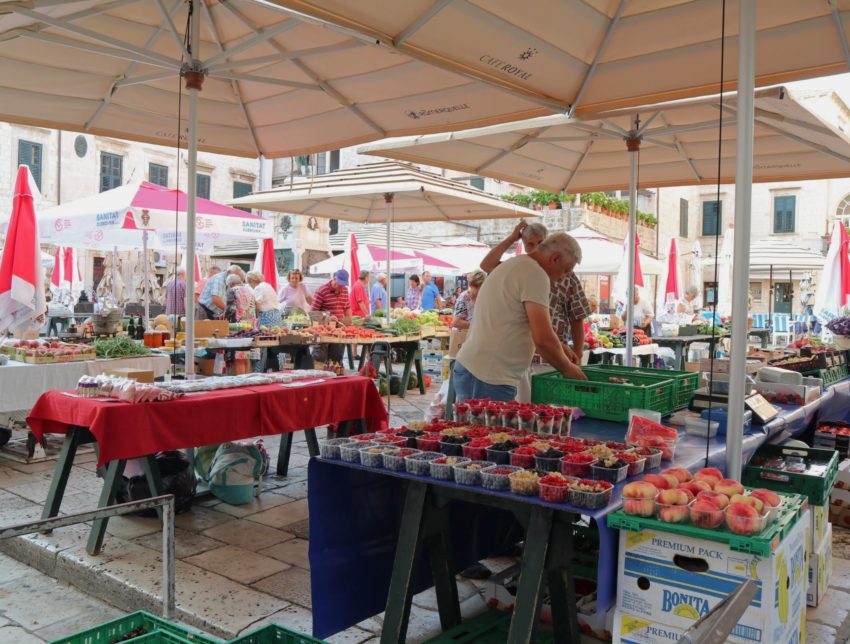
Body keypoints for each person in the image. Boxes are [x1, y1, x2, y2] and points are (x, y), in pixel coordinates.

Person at [453, 233, 586, 404]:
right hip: (488, 376)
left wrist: (559, 347)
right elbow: (543, 340)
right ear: (555, 258)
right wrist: (569, 370)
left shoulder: (515, 264)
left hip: (481, 371)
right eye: (565, 270)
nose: (563, 278)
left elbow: (516, 322)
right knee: (485, 430)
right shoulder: (535, 274)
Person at [311, 270, 352, 364]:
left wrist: (349, 318)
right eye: (340, 284)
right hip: (323, 331)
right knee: (319, 358)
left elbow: (347, 307)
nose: (341, 287)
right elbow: (313, 313)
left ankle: (334, 375)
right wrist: (327, 318)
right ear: (334, 279)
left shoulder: (345, 291)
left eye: (343, 285)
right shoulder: (322, 291)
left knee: (336, 359)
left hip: (338, 331)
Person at [480, 220, 548, 273]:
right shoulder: (519, 265)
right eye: (530, 244)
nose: (536, 248)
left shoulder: (555, 263)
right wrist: (512, 238)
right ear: (524, 245)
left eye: (540, 242)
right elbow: (486, 265)